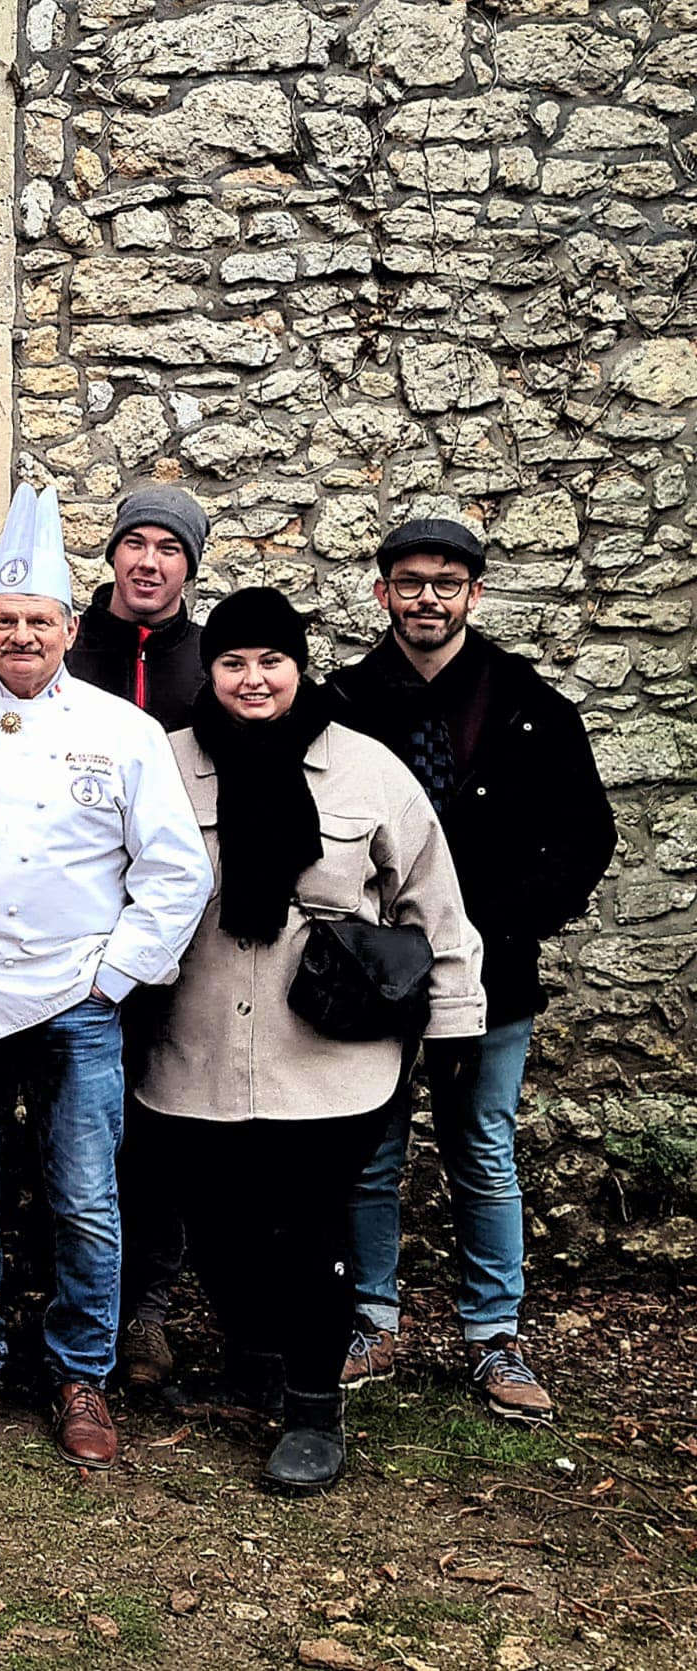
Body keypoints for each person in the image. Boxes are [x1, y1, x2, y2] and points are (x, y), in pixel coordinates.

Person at [0, 483, 212, 1467]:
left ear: (69, 628)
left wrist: (114, 975)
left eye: (39, 621)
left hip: (77, 1000)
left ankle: (79, 1372)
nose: (21, 636)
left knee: (86, 1198)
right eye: (5, 620)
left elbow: (175, 872)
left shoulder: (122, 730)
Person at [137, 588, 487, 1492]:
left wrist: (455, 1019)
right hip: (196, 1046)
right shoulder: (162, 763)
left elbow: (431, 900)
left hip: (331, 1054)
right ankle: (254, 1362)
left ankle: (313, 1407)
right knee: (217, 1224)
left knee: (311, 1227)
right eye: (232, 662)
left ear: (299, 666)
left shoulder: (366, 769)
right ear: (209, 670)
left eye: (272, 661)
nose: (252, 680)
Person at [329, 518, 614, 1421]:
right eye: (410, 582)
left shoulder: (532, 704)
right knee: (369, 1151)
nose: (428, 598)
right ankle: (370, 1319)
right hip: (374, 976)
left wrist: (498, 928)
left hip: (493, 972)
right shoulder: (342, 702)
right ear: (383, 591)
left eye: (445, 584)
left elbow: (585, 836)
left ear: (474, 594)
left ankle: (494, 1333)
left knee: (482, 1150)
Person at [64, 483, 210, 1395]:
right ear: (112, 552)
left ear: (190, 565)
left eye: (169, 548)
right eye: (136, 543)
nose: (149, 562)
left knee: (155, 1121)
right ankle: (70, 1295)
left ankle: (145, 1304)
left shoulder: (210, 663)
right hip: (70, 930)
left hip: (171, 930)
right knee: (72, 1126)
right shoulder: (69, 649)